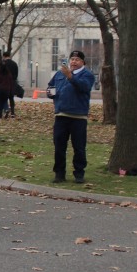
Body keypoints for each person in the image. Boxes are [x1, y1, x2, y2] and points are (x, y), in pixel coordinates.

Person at [47, 50, 96, 183]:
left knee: (79, 147)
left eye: (77, 60)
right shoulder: (60, 74)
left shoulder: (87, 75)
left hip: (78, 117)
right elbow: (51, 86)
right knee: (59, 146)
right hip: (61, 115)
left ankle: (79, 174)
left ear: (83, 62)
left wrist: (70, 77)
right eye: (72, 59)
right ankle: (59, 173)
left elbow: (84, 87)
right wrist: (50, 93)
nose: (74, 62)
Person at [2, 51, 19, 117]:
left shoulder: (3, 64)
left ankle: (6, 109)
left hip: (4, 83)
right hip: (12, 83)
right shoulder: (14, 64)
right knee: (11, 98)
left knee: (4, 98)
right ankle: (12, 113)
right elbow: (16, 74)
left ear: (4, 56)